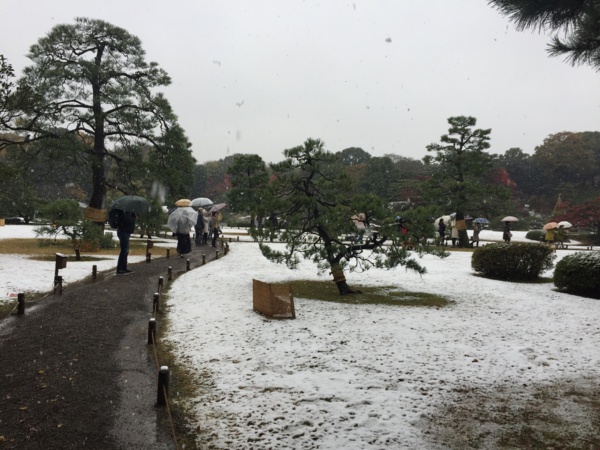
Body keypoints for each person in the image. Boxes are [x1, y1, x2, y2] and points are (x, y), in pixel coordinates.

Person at [116, 210, 136, 275]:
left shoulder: (130, 211)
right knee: (124, 250)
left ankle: (124, 267)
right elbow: (126, 221)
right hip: (123, 231)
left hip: (127, 231)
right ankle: (120, 268)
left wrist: (134, 216)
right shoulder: (123, 211)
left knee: (126, 250)